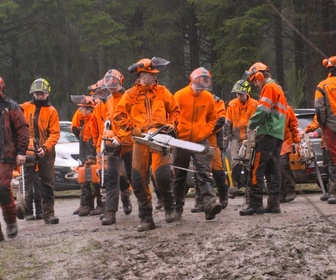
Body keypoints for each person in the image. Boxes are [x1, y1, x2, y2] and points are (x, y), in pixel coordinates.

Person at [114, 57, 179, 231]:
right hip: (140, 140)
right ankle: (146, 217)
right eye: (151, 74)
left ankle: (169, 205)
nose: (154, 77)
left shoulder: (163, 92)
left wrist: (171, 125)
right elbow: (118, 116)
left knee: (162, 176)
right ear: (142, 75)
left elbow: (175, 111)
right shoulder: (130, 95)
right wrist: (132, 127)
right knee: (138, 180)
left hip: (160, 138)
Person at [173, 67, 222, 221]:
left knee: (204, 173)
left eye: (206, 82)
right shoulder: (180, 95)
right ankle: (177, 207)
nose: (203, 85)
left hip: (201, 139)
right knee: (179, 175)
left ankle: (209, 205)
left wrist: (206, 131)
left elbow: (213, 118)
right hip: (181, 139)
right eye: (201, 81)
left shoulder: (208, 98)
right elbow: (172, 115)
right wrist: (175, 132)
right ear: (193, 80)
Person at [239, 62, 287, 216]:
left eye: (254, 80)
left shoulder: (269, 88)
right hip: (277, 134)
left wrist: (251, 124)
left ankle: (255, 204)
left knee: (256, 167)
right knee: (273, 169)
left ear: (259, 75)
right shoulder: (277, 87)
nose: (254, 83)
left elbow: (263, 110)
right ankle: (274, 204)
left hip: (267, 133)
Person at [96, 69, 133, 225]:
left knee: (134, 177)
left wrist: (121, 137)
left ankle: (146, 207)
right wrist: (103, 141)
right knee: (112, 177)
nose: (111, 88)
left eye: (113, 85)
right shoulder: (107, 101)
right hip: (113, 145)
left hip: (129, 143)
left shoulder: (129, 98)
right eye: (108, 85)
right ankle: (110, 212)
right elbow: (107, 121)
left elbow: (132, 121)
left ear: (120, 82)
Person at [22, 78, 60, 224]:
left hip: (46, 151)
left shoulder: (52, 111)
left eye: (41, 93)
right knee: (27, 181)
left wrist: (46, 147)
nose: (39, 96)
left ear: (47, 94)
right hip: (29, 149)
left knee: (47, 183)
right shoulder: (24, 107)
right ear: (33, 93)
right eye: (36, 93)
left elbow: (55, 133)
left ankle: (49, 214)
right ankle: (28, 211)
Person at [0, 76, 29, 240]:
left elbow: (23, 130)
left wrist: (21, 152)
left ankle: (11, 221)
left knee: (3, 188)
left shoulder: (11, 107)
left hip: (6, 155)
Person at [191, 93, 229, 212]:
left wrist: (205, 130)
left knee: (218, 172)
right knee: (199, 172)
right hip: (198, 142)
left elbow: (221, 120)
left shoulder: (218, 102)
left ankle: (223, 197)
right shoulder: (193, 101)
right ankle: (200, 202)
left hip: (213, 143)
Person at [223, 80, 258, 198]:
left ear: (247, 93)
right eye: (237, 94)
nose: (239, 96)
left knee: (249, 163)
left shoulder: (254, 104)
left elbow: (257, 122)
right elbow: (228, 123)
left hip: (250, 138)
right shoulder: (232, 104)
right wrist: (225, 140)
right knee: (235, 162)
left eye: (241, 94)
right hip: (235, 138)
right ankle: (234, 186)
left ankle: (249, 188)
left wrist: (254, 138)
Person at [314, 56, 336, 204]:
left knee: (333, 158)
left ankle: (334, 192)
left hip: (330, 126)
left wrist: (323, 124)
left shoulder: (322, 85)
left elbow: (318, 107)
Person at [71, 95, 97, 216]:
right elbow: (77, 133)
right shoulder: (84, 122)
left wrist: (92, 155)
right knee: (84, 179)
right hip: (84, 153)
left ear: (89, 109)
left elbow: (94, 139)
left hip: (91, 154)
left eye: (82, 108)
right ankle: (87, 205)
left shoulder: (92, 121)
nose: (80, 110)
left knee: (95, 179)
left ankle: (98, 205)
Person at [279, 105, 300, 203]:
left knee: (283, 166)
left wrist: (296, 141)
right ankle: (280, 193)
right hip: (273, 142)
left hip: (285, 141)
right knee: (275, 169)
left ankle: (290, 190)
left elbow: (293, 125)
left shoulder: (287, 109)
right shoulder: (267, 108)